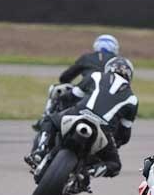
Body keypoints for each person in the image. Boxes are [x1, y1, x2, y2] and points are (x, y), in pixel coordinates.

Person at [27, 56, 138, 185]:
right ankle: (87, 172)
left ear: (108, 68)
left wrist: (62, 103)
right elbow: (124, 135)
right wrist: (113, 143)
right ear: (130, 76)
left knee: (49, 121)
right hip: (102, 130)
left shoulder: (96, 76)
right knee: (115, 165)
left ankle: (40, 152)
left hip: (78, 115)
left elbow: (71, 96)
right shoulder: (133, 99)